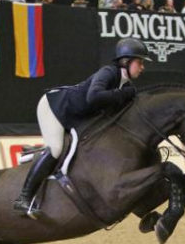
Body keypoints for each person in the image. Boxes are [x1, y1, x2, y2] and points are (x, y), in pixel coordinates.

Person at [12, 38, 151, 216]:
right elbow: (93, 97)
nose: (142, 67)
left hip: (77, 117)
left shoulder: (126, 85)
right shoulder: (108, 72)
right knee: (56, 149)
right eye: (140, 62)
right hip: (55, 107)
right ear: (126, 61)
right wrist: (122, 94)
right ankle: (24, 198)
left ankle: (33, 153)